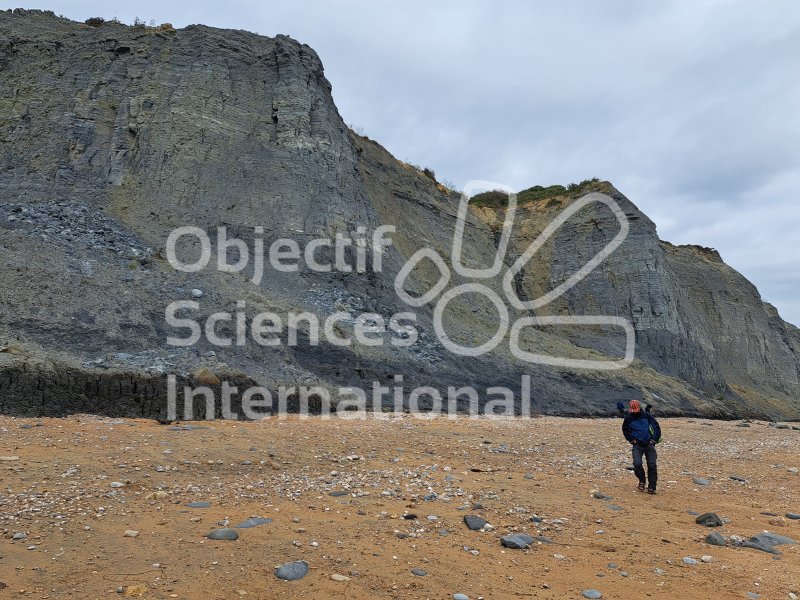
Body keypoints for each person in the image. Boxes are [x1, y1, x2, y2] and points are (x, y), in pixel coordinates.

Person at [622, 399, 661, 494]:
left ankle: (652, 487)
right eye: (633, 411)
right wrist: (631, 439)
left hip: (649, 444)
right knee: (637, 464)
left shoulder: (647, 416)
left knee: (652, 465)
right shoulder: (628, 418)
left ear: (640, 408)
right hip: (637, 445)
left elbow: (657, 427)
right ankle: (642, 480)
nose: (634, 413)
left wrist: (654, 440)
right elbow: (625, 429)